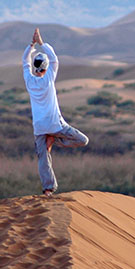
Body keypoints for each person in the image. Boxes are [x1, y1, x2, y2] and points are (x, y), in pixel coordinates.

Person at [22, 28, 89, 197]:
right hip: (54, 124)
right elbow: (54, 59)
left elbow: (25, 61)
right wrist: (41, 42)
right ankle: (55, 140)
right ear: (45, 67)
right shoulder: (48, 78)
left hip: (39, 127)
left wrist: (31, 45)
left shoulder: (29, 81)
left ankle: (48, 189)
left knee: (43, 158)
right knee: (82, 140)